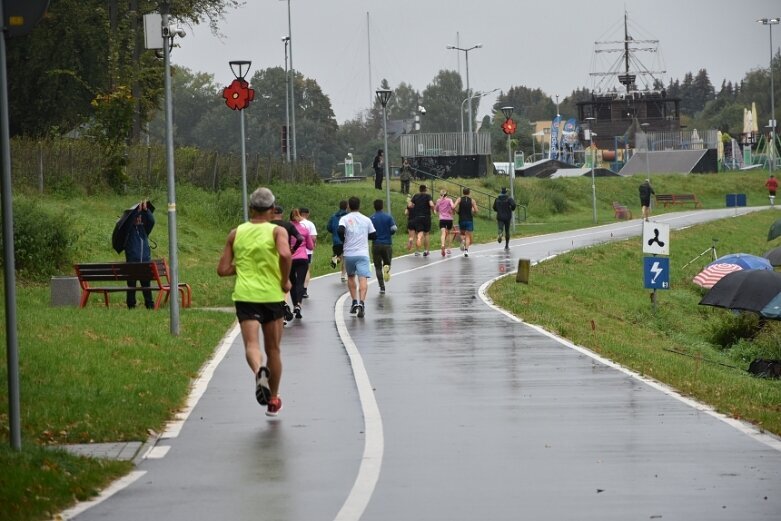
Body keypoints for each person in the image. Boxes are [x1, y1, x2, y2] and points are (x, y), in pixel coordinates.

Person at [217, 187, 292, 417]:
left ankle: (259, 370)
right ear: (272, 209)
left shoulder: (235, 233)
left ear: (251, 208)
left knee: (252, 344)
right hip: (271, 296)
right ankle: (273, 399)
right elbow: (286, 255)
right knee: (274, 350)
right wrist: (285, 280)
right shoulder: (277, 232)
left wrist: (242, 267)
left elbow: (222, 270)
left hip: (245, 295)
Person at [338, 196, 376, 318]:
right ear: (359, 206)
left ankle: (354, 301)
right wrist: (364, 236)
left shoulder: (344, 218)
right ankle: (362, 303)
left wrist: (344, 239)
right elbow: (374, 235)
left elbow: (340, 230)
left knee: (350, 276)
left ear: (349, 206)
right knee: (363, 278)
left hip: (349, 253)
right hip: (363, 253)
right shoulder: (366, 219)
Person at [272, 205, 303, 324]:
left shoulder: (268, 226)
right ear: (282, 214)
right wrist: (293, 249)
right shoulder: (288, 225)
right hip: (286, 258)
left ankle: (282, 307)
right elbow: (300, 238)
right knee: (289, 282)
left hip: (271, 258)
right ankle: (293, 305)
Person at [124, 200, 155, 309]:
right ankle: (131, 304)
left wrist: (146, 211)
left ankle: (149, 304)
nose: (139, 219)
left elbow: (151, 221)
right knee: (131, 285)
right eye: (137, 218)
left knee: (146, 285)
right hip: (132, 263)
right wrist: (136, 212)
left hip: (145, 262)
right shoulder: (128, 231)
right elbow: (128, 221)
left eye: (140, 218)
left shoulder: (144, 230)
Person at [288, 208, 314, 319]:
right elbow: (310, 246)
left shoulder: (286, 229)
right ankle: (298, 304)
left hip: (290, 259)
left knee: (292, 283)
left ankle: (294, 304)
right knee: (300, 282)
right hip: (302, 258)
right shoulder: (304, 229)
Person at [369, 199, 397, 294]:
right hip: (387, 243)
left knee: (377, 267)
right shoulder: (388, 217)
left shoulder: (371, 218)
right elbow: (394, 228)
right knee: (387, 262)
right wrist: (389, 233)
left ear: (374, 207)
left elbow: (369, 232)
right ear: (382, 206)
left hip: (376, 244)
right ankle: (387, 268)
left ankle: (382, 287)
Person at [408, 184, 435, 256]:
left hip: (417, 217)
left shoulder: (415, 196)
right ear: (425, 189)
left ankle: (418, 244)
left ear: (419, 189)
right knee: (426, 234)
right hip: (426, 217)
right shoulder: (428, 196)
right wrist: (433, 211)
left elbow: (410, 205)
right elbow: (431, 204)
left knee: (419, 232)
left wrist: (415, 206)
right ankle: (426, 251)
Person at [326, 200, 349, 281]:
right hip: (346, 240)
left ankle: (335, 259)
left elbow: (328, 227)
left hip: (336, 240)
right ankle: (343, 275)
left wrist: (334, 232)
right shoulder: (348, 217)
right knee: (345, 258)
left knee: (339, 256)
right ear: (347, 207)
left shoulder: (333, 216)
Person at [299, 207, 317, 298]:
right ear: (308, 214)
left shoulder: (295, 224)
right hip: (308, 251)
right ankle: (304, 290)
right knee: (306, 270)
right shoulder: (310, 224)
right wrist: (313, 244)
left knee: (297, 270)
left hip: (296, 251)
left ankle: (297, 288)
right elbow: (313, 237)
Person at [454, 187, 478, 257]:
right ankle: (466, 251)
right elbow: (476, 210)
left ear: (463, 192)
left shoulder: (459, 199)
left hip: (461, 219)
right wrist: (472, 210)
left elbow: (453, 206)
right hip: (469, 220)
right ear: (469, 192)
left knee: (462, 234)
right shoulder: (472, 200)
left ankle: (462, 241)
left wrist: (457, 211)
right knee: (468, 236)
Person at [434, 189, 455, 256]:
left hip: (442, 219)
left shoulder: (438, 201)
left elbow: (436, 209)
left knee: (443, 233)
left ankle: (443, 245)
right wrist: (452, 211)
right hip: (449, 219)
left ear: (440, 194)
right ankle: (448, 248)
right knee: (448, 233)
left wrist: (439, 210)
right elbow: (453, 206)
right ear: (447, 194)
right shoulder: (449, 200)